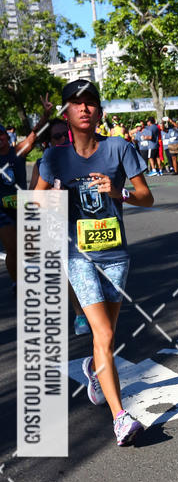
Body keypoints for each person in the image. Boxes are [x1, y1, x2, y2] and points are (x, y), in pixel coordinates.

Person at [35, 79, 154, 445]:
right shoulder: (54, 158)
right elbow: (35, 203)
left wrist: (119, 193)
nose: (84, 108)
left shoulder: (118, 148)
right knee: (102, 334)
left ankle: (92, 368)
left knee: (107, 335)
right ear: (66, 113)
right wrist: (52, 199)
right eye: (77, 103)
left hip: (116, 256)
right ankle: (121, 418)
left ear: (99, 111)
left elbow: (146, 197)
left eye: (91, 103)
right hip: (78, 256)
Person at [29, 118, 92, 337]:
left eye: (67, 134)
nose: (64, 139)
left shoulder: (85, 156)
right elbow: (33, 198)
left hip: (88, 219)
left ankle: (96, 307)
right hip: (58, 221)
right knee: (71, 267)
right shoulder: (43, 164)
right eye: (57, 136)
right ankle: (80, 313)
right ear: (49, 142)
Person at [0, 95, 53, 287]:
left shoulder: (18, 152)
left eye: (1, 135)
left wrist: (45, 115)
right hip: (2, 211)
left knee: (30, 249)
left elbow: (34, 134)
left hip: (23, 205)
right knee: (12, 249)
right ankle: (17, 282)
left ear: (6, 136)